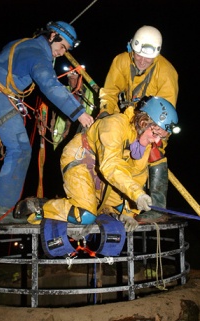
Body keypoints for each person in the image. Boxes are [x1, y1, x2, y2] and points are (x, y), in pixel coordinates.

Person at [14, 96, 179, 230]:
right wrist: (137, 194)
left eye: (161, 137)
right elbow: (111, 165)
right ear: (144, 122)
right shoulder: (114, 124)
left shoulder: (144, 145)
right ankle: (39, 207)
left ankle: (69, 206)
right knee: (85, 215)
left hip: (107, 173)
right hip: (81, 157)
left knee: (116, 211)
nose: (156, 140)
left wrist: (131, 211)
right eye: (156, 133)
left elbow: (137, 176)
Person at [0, 20, 94, 224]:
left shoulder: (20, 44)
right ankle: (4, 214)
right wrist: (79, 112)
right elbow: (49, 84)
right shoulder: (36, 53)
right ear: (52, 36)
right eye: (62, 46)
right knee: (20, 148)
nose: (62, 52)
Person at [98, 25, 179, 222]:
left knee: (154, 151)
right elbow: (109, 92)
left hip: (152, 123)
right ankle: (107, 201)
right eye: (138, 55)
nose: (142, 60)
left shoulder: (167, 72)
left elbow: (165, 112)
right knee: (111, 150)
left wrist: (152, 134)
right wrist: (105, 114)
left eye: (147, 58)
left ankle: (158, 207)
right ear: (131, 48)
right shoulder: (121, 61)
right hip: (126, 117)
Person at [52, 66, 95, 147]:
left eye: (77, 79)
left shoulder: (90, 93)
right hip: (64, 131)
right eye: (72, 79)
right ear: (68, 81)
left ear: (82, 79)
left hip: (82, 130)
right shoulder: (63, 91)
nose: (75, 82)